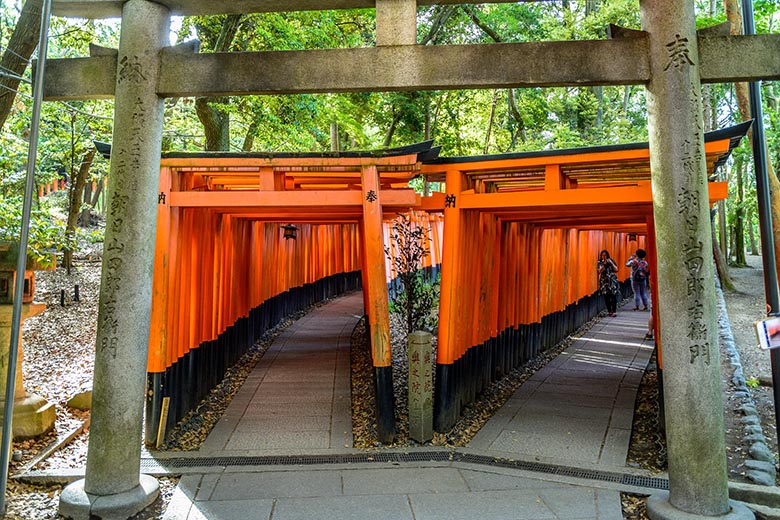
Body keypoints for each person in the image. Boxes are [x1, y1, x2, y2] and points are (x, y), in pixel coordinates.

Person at [597, 249, 620, 317]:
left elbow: (616, 269)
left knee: (613, 296)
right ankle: (609, 311)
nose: (604, 257)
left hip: (612, 281)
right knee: (606, 296)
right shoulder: (600, 262)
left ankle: (614, 311)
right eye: (603, 255)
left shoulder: (611, 261)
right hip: (604, 282)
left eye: (605, 255)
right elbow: (599, 271)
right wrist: (604, 265)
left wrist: (611, 263)